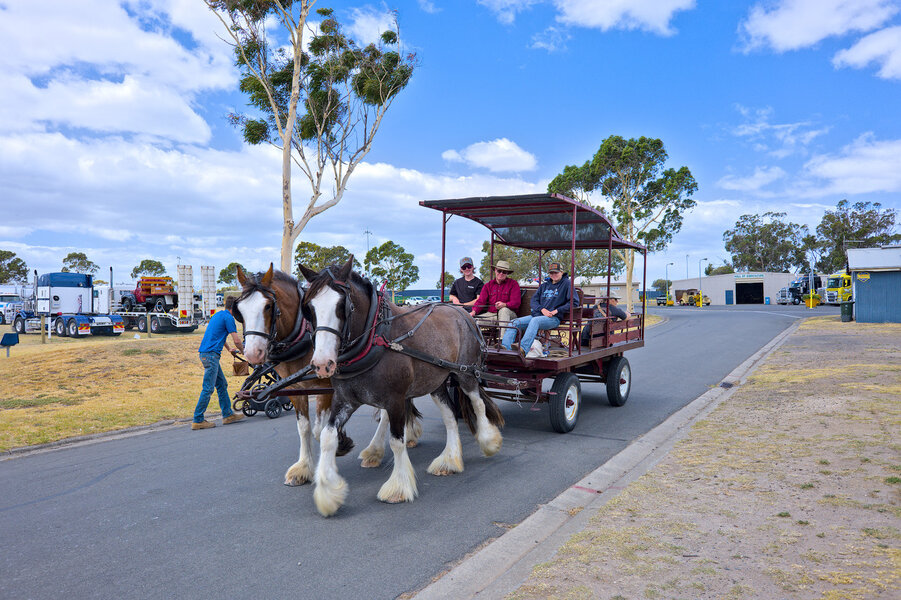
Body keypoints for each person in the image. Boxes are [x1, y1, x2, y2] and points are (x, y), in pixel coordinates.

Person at [192, 296, 246, 430]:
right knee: (208, 388)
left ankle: (228, 415)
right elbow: (237, 341)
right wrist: (245, 352)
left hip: (207, 354)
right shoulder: (229, 318)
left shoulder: (218, 315)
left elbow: (218, 335)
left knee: (222, 384)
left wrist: (229, 349)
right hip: (211, 356)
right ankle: (198, 419)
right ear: (235, 308)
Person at [502, 262, 572, 357]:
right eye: (551, 273)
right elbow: (534, 301)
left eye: (556, 272)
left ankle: (522, 349)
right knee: (513, 322)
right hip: (538, 315)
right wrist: (542, 309)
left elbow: (573, 302)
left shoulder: (566, 284)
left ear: (562, 272)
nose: (553, 275)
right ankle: (506, 351)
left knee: (535, 321)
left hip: (554, 319)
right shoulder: (544, 286)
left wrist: (557, 311)